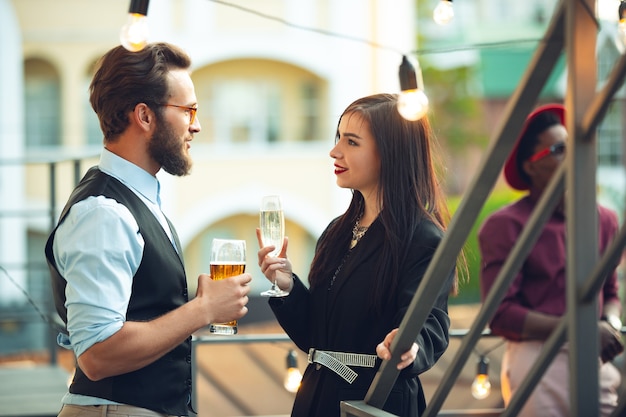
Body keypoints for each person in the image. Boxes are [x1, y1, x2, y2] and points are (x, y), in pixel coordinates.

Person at [44, 43, 252, 417]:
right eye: (188, 110)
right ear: (144, 115)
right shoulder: (103, 213)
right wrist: (203, 309)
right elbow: (97, 353)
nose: (197, 124)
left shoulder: (137, 202)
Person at [256, 93, 458, 417]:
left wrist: (409, 346)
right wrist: (287, 286)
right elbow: (315, 337)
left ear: (389, 154)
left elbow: (431, 322)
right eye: (338, 139)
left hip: (374, 401)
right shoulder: (337, 231)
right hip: (316, 400)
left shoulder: (423, 238)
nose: (335, 151)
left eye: (352, 142)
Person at [478, 103, 624, 417]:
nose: (573, 154)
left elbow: (610, 293)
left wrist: (609, 325)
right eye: (560, 149)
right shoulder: (506, 225)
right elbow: (501, 313)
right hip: (537, 359)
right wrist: (583, 329)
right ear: (530, 166)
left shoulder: (605, 220)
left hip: (595, 353)